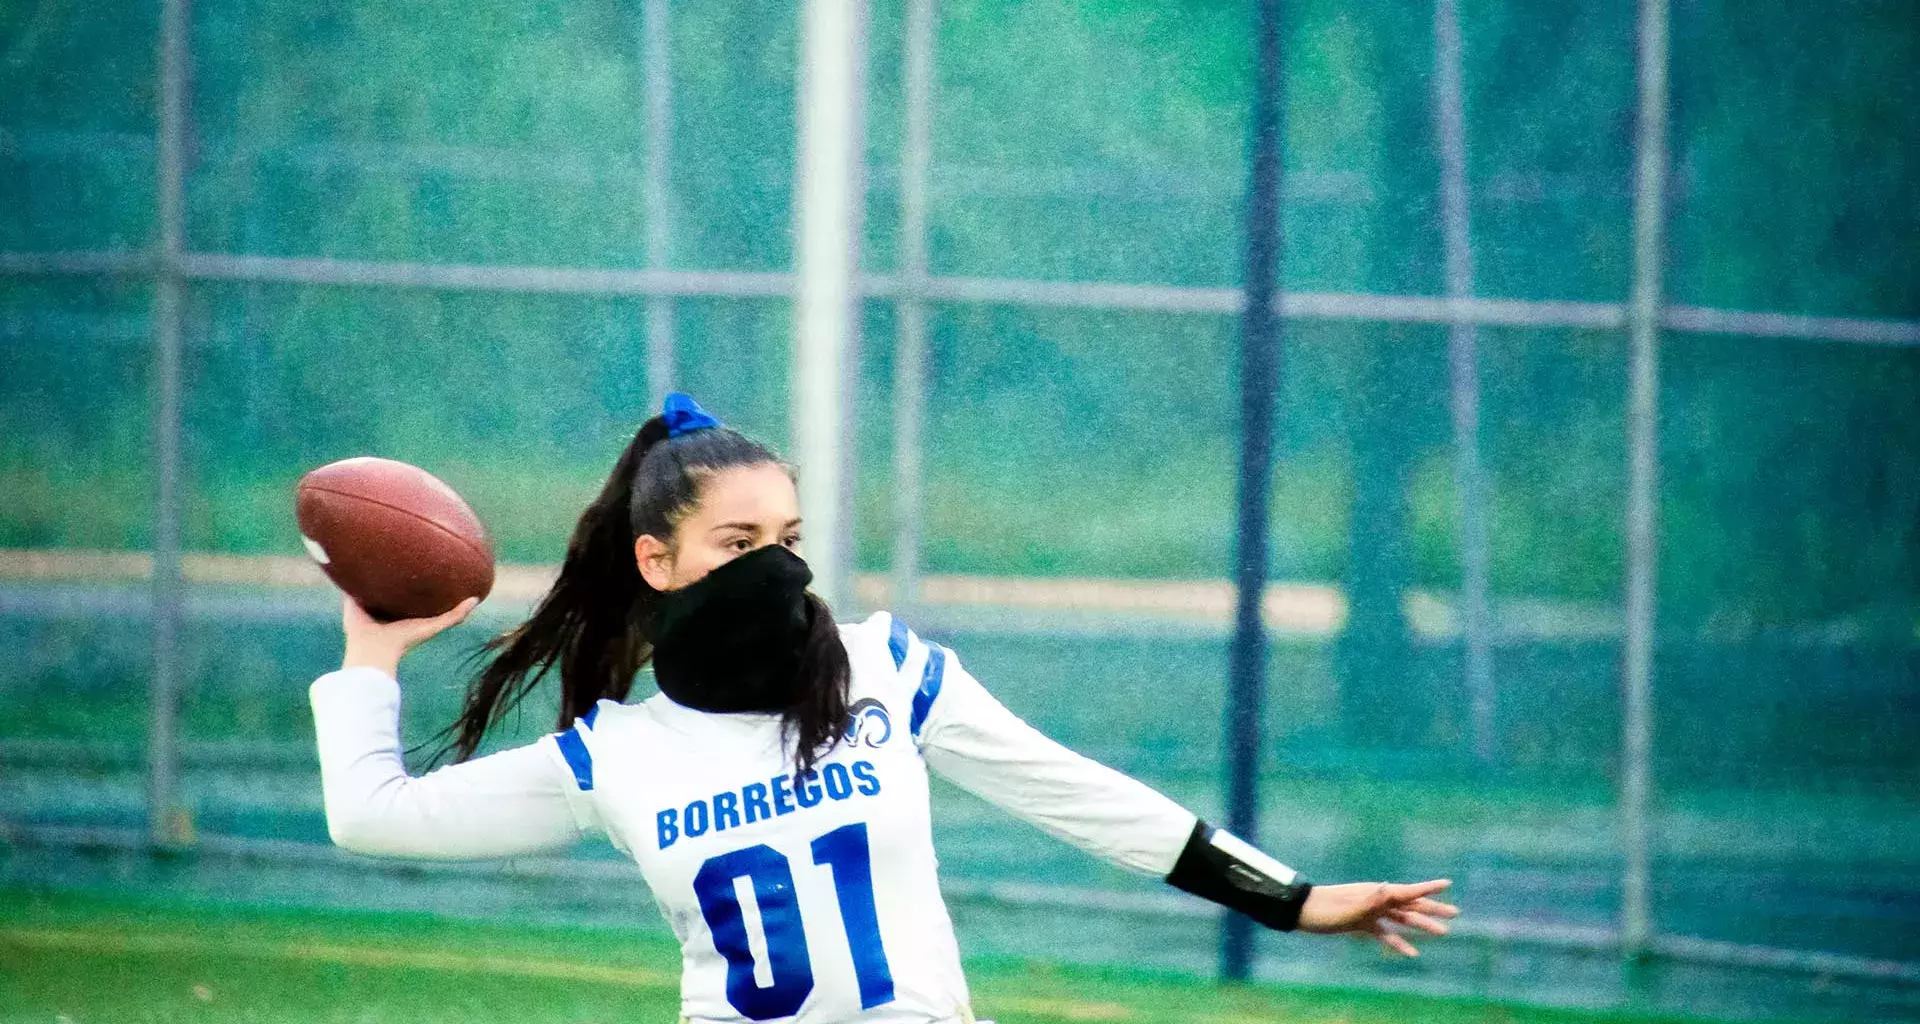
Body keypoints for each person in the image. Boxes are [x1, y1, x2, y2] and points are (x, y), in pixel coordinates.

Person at [310, 393, 1459, 1024]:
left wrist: (1290, 899)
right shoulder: (619, 753)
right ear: (658, 562)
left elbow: (1086, 802)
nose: (775, 567)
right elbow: (373, 814)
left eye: (789, 541)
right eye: (737, 544)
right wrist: (373, 646)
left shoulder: (886, 674)